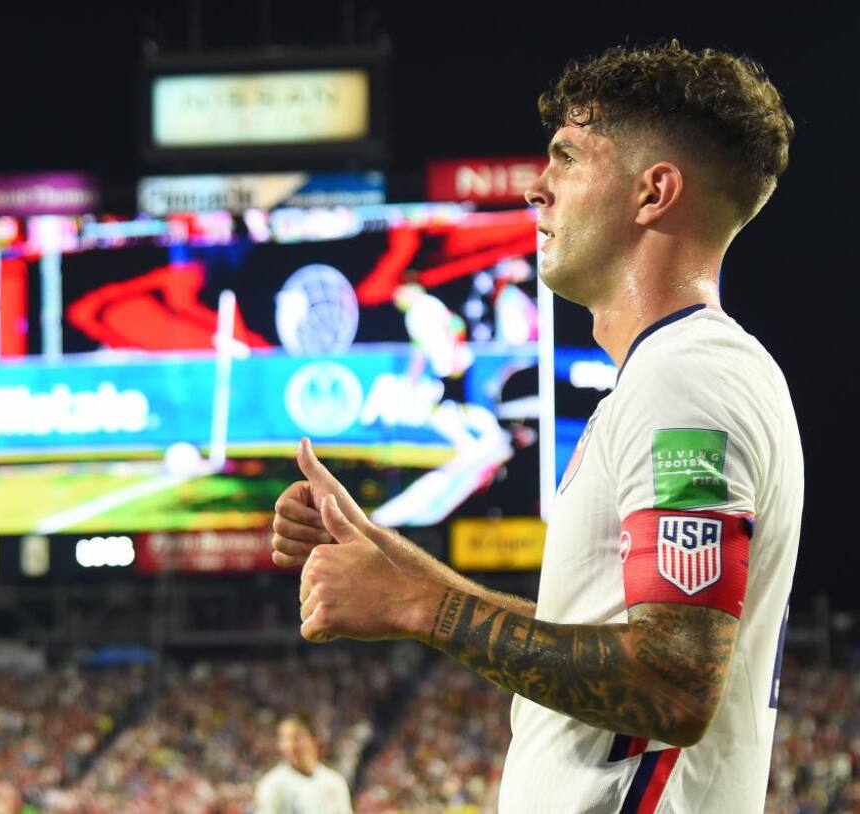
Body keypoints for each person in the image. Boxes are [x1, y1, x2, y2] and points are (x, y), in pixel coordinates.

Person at [271, 39, 800, 813]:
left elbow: (673, 682)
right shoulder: (673, 377)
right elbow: (608, 640)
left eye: (568, 159)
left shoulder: (688, 381)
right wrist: (398, 570)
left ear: (653, 193)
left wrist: (421, 607)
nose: (535, 187)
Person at [254, 713, 352, 814]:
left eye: (296, 738)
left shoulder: (335, 782)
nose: (289, 746)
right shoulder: (273, 785)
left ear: (314, 739)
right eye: (284, 739)